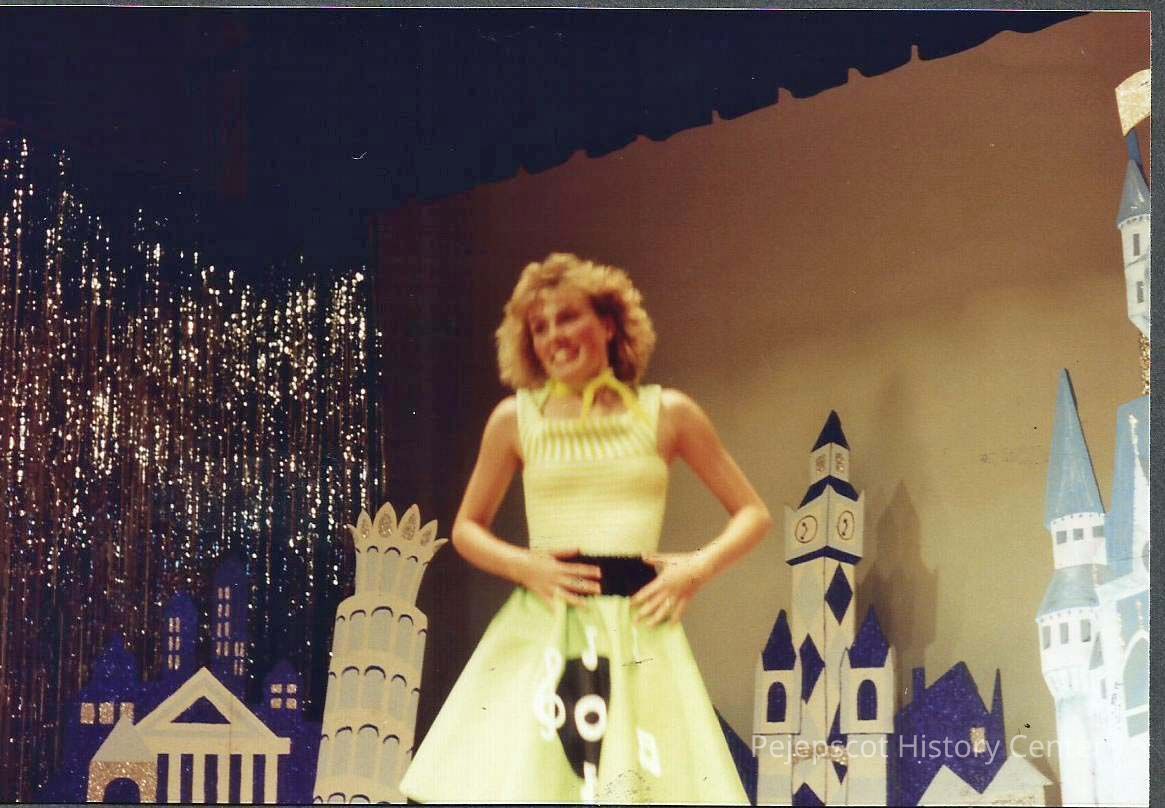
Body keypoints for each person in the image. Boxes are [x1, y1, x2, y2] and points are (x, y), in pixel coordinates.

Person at [399, 253, 772, 804]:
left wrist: (694, 569)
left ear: (609, 323)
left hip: (637, 627)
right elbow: (467, 528)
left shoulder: (669, 414)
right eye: (539, 327)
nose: (554, 336)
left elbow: (753, 513)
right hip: (548, 625)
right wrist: (526, 566)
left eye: (568, 317)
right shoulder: (514, 421)